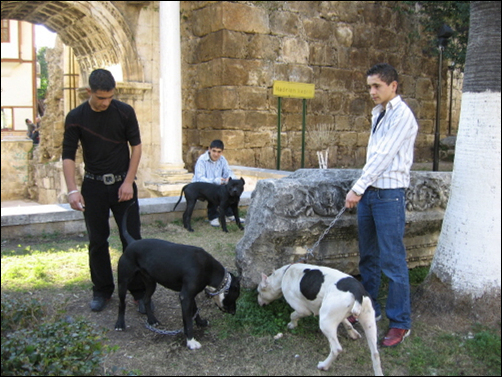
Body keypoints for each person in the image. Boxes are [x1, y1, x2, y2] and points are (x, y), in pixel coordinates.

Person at [62, 69, 148, 313]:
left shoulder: (124, 111)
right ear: (89, 91)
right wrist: (72, 190)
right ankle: (102, 291)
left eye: (110, 97)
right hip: (93, 186)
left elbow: (137, 148)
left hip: (123, 185)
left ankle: (139, 292)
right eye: (101, 98)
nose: (105, 102)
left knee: (132, 240)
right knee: (97, 241)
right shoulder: (76, 116)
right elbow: (68, 155)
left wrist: (129, 182)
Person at [345, 63, 418, 347]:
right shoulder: (379, 113)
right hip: (370, 195)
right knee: (368, 257)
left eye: (377, 86)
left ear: (393, 85)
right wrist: (363, 190)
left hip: (389, 196)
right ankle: (368, 309)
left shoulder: (402, 115)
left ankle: (400, 322)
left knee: (393, 261)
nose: (372, 92)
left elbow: (383, 157)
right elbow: (373, 157)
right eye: (369, 87)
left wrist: (356, 188)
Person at [192, 139, 244, 227]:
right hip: (200, 188)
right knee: (215, 190)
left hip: (218, 185)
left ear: (222, 152)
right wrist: (215, 180)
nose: (216, 154)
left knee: (229, 189)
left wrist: (231, 180)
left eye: (219, 152)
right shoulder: (202, 160)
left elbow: (228, 172)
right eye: (214, 151)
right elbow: (199, 179)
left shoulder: (222, 159)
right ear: (209, 149)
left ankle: (230, 214)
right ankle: (213, 217)